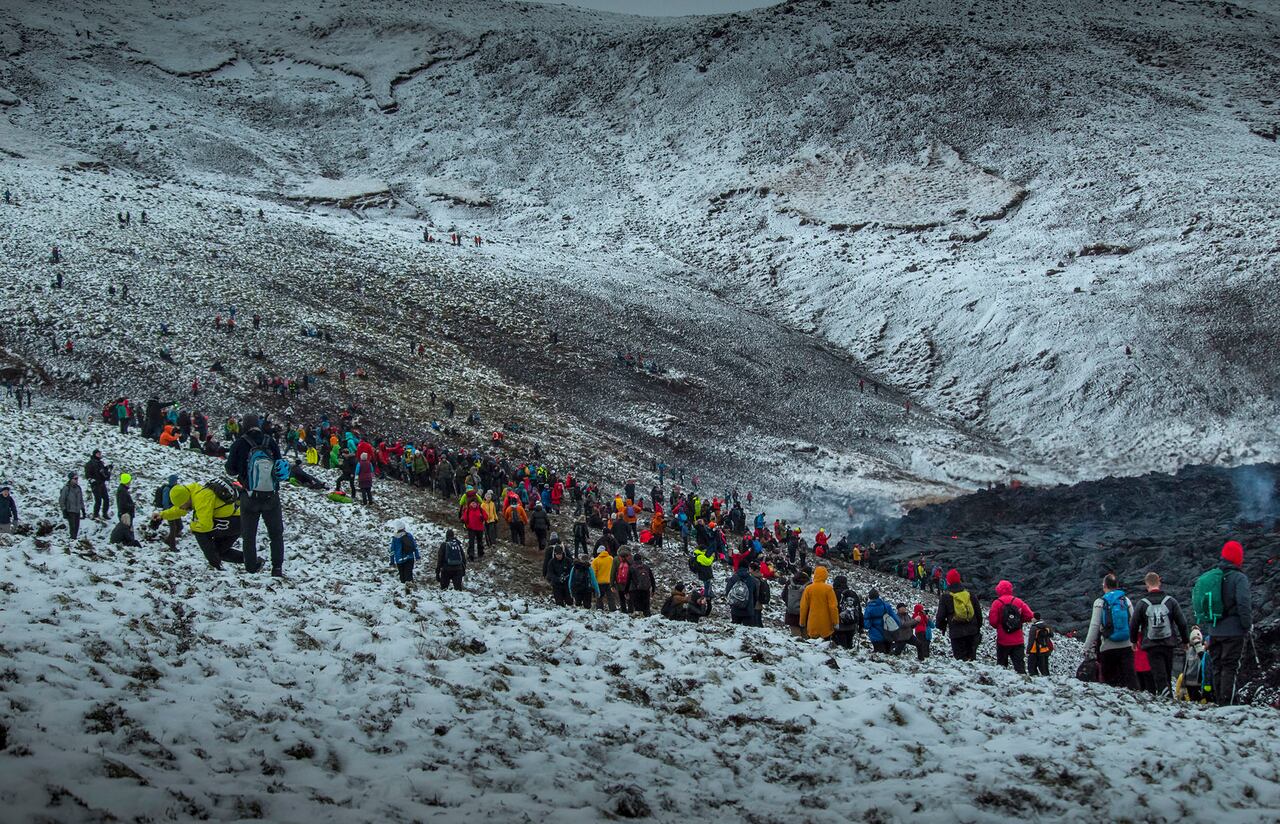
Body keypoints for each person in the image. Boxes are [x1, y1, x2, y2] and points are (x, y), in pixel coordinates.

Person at [225, 413, 286, 576]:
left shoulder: (239, 443)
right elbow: (279, 465)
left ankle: (251, 566)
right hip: (271, 495)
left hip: (248, 495)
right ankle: (277, 568)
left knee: (249, 534)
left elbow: (230, 470)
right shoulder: (270, 441)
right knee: (276, 533)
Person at [1195, 540, 1253, 705]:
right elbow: (1243, 603)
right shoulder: (1239, 578)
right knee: (1229, 667)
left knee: (1217, 665)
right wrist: (1247, 624)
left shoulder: (1214, 576)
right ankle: (1227, 703)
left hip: (1214, 630)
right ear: (1238, 558)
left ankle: (1219, 700)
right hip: (1233, 632)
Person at [154, 480, 244, 569]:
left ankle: (215, 562)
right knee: (220, 551)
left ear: (186, 500)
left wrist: (192, 526)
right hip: (232, 520)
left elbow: (205, 526)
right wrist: (162, 515)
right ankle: (253, 561)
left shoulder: (202, 499)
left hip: (236, 522)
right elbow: (179, 510)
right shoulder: (191, 490)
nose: (181, 508)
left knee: (200, 533)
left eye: (182, 505)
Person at [1130, 571, 1189, 698]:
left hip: (1151, 644)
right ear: (1159, 582)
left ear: (1147, 584)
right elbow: (1182, 623)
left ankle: (1166, 697)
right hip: (1168, 642)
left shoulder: (1142, 603)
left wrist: (1134, 641)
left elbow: (1133, 624)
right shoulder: (1171, 601)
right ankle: (1169, 696)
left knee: (1159, 674)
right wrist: (1185, 641)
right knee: (1167, 672)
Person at [1082, 573, 1138, 690]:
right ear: (1117, 586)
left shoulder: (1100, 602)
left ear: (1104, 586)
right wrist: (1135, 641)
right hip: (1127, 646)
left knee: (1110, 684)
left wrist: (1086, 647)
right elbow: (1134, 622)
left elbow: (1094, 626)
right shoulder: (1125, 600)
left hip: (1108, 646)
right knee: (1130, 681)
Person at [988, 580, 1035, 674]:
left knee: (1001, 666)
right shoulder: (1018, 601)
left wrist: (1000, 625)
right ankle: (1024, 684)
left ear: (998, 590)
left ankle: (1002, 684)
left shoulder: (996, 603)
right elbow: (1030, 615)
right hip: (1018, 640)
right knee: (1020, 666)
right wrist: (1019, 620)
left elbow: (993, 622)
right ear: (1011, 589)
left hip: (1003, 640)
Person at [935, 569, 982, 661]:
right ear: (959, 579)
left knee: (960, 660)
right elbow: (978, 613)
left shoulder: (945, 596)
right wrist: (977, 627)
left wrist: (942, 626)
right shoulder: (969, 594)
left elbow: (940, 616)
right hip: (972, 631)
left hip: (956, 633)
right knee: (972, 659)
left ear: (948, 581)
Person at [799, 566, 839, 640]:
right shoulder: (829, 589)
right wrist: (835, 622)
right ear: (825, 576)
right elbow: (833, 607)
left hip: (812, 624)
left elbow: (803, 607)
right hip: (826, 626)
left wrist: (802, 622)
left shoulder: (808, 588)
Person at [831, 575, 863, 648]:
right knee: (849, 646)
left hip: (839, 626)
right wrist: (861, 626)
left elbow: (832, 608)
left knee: (841, 648)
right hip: (851, 626)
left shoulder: (833, 593)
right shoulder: (852, 593)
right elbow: (859, 610)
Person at [862, 588, 896, 654]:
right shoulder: (886, 606)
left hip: (875, 635)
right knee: (887, 654)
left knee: (879, 655)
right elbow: (895, 619)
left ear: (870, 597)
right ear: (878, 596)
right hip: (887, 633)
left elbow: (866, 625)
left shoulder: (869, 608)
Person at [725, 562, 759, 626]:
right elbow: (755, 596)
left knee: (735, 630)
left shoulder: (733, 578)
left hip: (735, 608)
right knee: (747, 632)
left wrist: (731, 603)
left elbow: (728, 592)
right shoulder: (753, 580)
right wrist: (752, 606)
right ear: (747, 568)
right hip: (748, 609)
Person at [84, 450, 111, 520]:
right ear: (94, 454)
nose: (100, 455)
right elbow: (87, 474)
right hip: (95, 484)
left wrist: (107, 468)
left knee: (106, 499)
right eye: (98, 454)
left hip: (102, 483)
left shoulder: (100, 463)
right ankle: (96, 514)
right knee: (98, 500)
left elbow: (102, 471)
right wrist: (91, 480)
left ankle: (105, 513)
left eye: (100, 453)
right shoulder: (90, 463)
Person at [60, 472, 87, 538]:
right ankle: (72, 540)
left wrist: (83, 509)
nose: (77, 480)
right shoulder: (66, 488)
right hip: (70, 510)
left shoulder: (78, 488)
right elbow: (62, 500)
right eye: (75, 478)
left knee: (77, 527)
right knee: (73, 527)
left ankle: (74, 540)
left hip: (77, 511)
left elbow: (81, 499)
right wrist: (64, 510)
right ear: (71, 479)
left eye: (77, 478)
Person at [1026, 613, 1054, 677]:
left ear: (1034, 618)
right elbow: (1052, 635)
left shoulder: (1034, 628)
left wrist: (1028, 651)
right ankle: (1048, 679)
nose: (1031, 619)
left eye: (1032, 618)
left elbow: (1031, 640)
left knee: (1032, 667)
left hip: (1035, 650)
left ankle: (1035, 680)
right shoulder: (1046, 625)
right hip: (1045, 649)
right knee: (1044, 667)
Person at [782, 571, 807, 638]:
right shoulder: (809, 584)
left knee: (796, 639)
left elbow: (783, 595)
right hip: (804, 614)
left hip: (791, 613)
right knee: (805, 637)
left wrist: (789, 604)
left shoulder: (789, 582)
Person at [592, 546, 617, 610]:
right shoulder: (611, 558)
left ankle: (599, 609)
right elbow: (615, 570)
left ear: (598, 553)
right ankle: (613, 609)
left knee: (599, 597)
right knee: (610, 597)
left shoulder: (595, 561)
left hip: (599, 583)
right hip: (609, 582)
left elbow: (593, 573)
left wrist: (593, 583)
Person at [750, 561, 770, 627]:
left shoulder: (754, 578)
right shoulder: (760, 577)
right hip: (760, 602)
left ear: (752, 569)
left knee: (756, 620)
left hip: (755, 602)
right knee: (758, 618)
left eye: (750, 568)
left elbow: (755, 591)